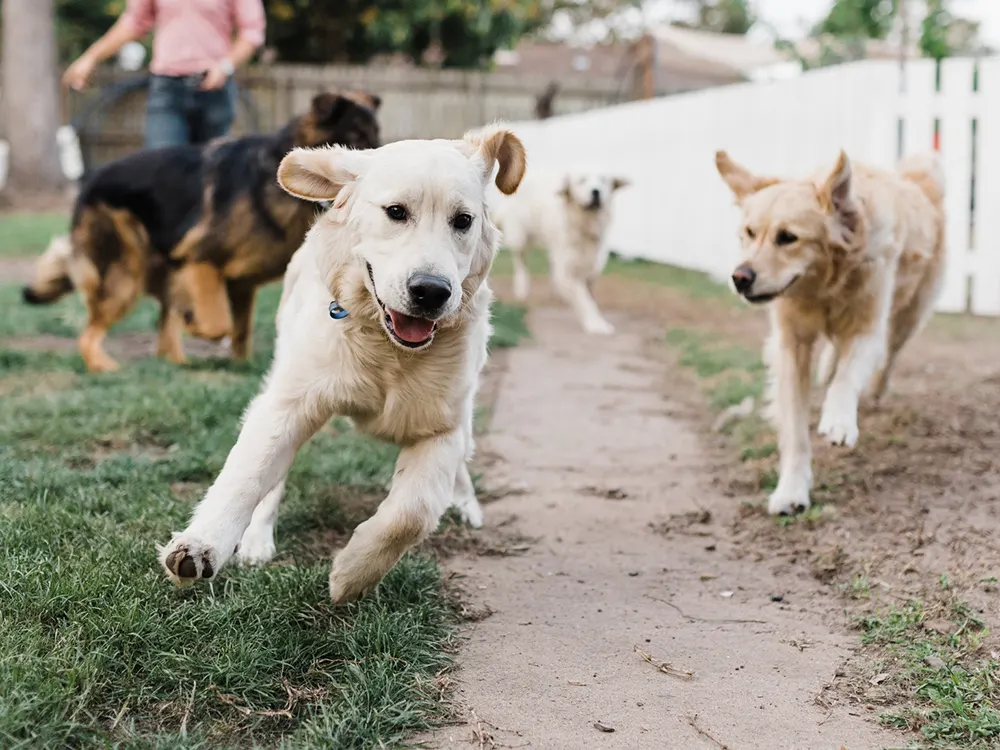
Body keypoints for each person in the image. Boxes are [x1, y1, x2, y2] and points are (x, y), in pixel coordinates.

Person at [63, 0, 266, 149]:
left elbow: (252, 30)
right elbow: (134, 23)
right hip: (167, 88)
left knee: (210, 176)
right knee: (160, 169)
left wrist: (226, 65)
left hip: (214, 90)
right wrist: (91, 57)